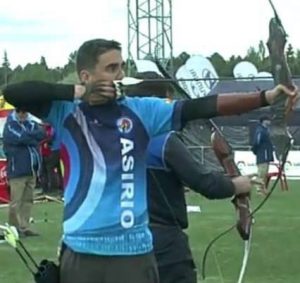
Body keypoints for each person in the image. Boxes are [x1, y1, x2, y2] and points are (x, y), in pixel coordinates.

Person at [3, 38, 298, 283]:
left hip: (133, 254)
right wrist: (79, 93)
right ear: (86, 76)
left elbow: (201, 106)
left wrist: (266, 96)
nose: (119, 76)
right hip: (81, 253)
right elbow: (13, 92)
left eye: (121, 67)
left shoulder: (142, 110)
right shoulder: (66, 112)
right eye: (111, 68)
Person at [126, 71, 256, 283]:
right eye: (168, 101)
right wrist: (237, 185)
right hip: (164, 246)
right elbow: (205, 183)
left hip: (120, 244)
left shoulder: (112, 140)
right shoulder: (164, 141)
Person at [3, 108, 46, 237]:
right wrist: (31, 138)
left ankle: (25, 226)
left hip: (31, 169)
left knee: (28, 200)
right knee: (16, 201)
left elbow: (41, 134)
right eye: (20, 112)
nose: (23, 115)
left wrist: (29, 137)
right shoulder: (10, 125)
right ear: (16, 112)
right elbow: (20, 138)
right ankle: (14, 228)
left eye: (25, 112)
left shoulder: (31, 123)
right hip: (17, 170)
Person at [251, 115, 274, 194]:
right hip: (262, 154)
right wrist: (256, 151)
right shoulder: (260, 130)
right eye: (268, 120)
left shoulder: (265, 130)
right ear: (264, 121)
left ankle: (262, 189)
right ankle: (259, 189)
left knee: (264, 173)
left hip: (266, 154)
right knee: (261, 172)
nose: (270, 122)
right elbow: (257, 142)